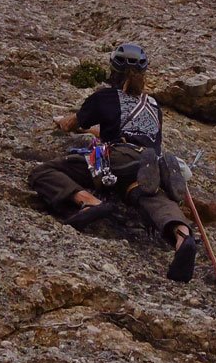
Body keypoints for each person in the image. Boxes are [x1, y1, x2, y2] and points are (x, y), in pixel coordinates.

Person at [28, 43, 197, 282]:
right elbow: (121, 132)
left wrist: (62, 121)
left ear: (113, 70)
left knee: (44, 171)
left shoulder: (104, 97)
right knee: (151, 196)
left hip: (117, 157)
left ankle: (90, 202)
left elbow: (72, 124)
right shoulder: (153, 106)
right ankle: (182, 236)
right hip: (146, 161)